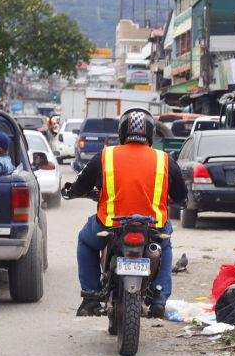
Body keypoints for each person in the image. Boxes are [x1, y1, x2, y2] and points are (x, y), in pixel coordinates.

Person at [66, 109, 186, 319]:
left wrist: (73, 191)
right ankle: (158, 299)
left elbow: (81, 184)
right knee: (164, 246)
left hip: (110, 225)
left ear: (122, 132)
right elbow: (181, 196)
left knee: (85, 242)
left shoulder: (106, 156)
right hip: (153, 227)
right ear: (150, 133)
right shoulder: (164, 160)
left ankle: (91, 297)